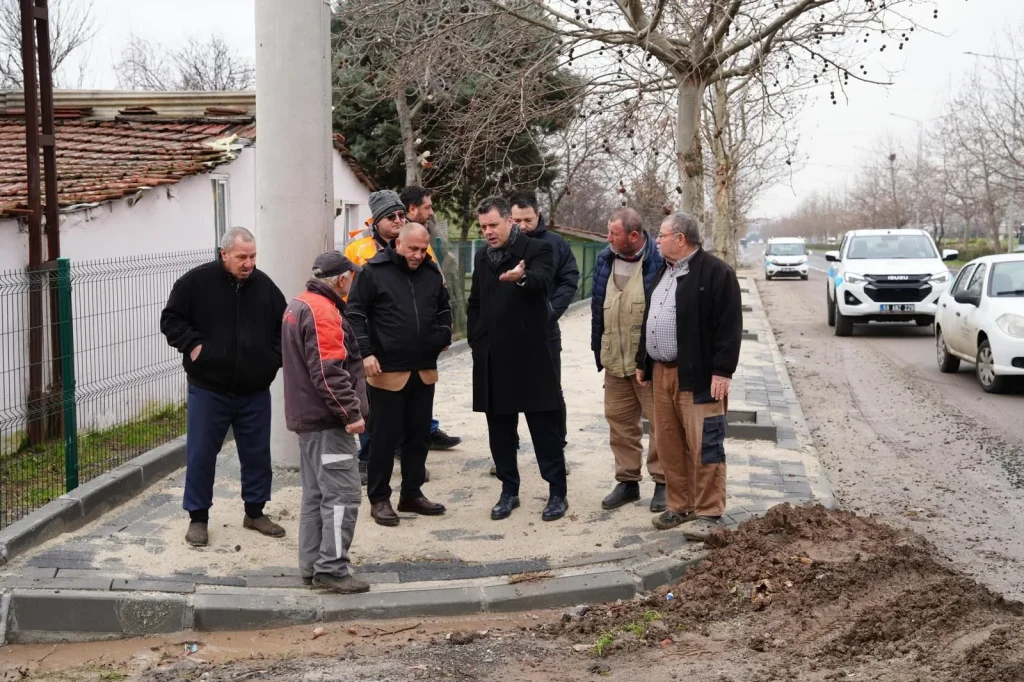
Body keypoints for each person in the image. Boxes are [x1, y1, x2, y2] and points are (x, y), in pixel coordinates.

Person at [160, 227, 287, 547]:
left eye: (253, 256)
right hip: (209, 389)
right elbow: (171, 319)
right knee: (201, 454)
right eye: (242, 257)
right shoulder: (195, 283)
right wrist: (194, 346)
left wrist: (273, 360)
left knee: (257, 454)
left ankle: (255, 512)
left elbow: (283, 328)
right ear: (224, 254)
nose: (249, 263)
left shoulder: (266, 288)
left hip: (254, 391)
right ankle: (198, 518)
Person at [636, 213, 742, 540]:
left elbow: (729, 326)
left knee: (706, 445)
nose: (656, 240)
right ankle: (679, 506)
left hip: (700, 377)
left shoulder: (716, 272)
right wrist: (643, 361)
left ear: (680, 239)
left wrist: (723, 371)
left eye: (662, 235)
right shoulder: (663, 272)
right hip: (662, 373)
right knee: (669, 444)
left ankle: (709, 513)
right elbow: (651, 319)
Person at [468, 196, 567, 522]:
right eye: (483, 226)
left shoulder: (538, 249)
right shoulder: (482, 257)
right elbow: (475, 302)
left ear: (509, 222)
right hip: (493, 358)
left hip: (531, 357)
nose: (488, 232)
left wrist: (521, 278)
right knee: (500, 432)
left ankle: (557, 493)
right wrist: (477, 340)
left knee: (544, 430)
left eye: (493, 225)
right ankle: (509, 490)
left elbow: (542, 278)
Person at [347, 222, 452, 527]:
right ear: (398, 244)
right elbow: (354, 314)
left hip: (424, 369)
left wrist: (443, 334)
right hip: (386, 371)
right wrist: (365, 353)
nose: (418, 255)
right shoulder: (372, 272)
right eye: (412, 249)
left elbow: (444, 308)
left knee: (419, 437)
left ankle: (412, 493)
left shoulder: (431, 273)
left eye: (422, 249)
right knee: (383, 438)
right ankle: (379, 499)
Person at [281, 251, 370, 594]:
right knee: (343, 495)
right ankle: (332, 569)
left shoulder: (299, 304)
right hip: (328, 423)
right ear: (342, 278)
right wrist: (351, 413)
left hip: (310, 420)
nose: (352, 282)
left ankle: (312, 566)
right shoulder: (323, 311)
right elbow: (329, 371)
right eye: (351, 276)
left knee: (316, 494)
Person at [344, 189, 439, 484]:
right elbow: (351, 302)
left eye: (401, 214)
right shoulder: (360, 251)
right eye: (391, 216)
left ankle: (410, 473)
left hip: (414, 357)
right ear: (377, 221)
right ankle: (368, 460)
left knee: (413, 417)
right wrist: (363, 348)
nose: (398, 220)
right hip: (374, 350)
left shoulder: (421, 245)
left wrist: (441, 334)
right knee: (374, 412)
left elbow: (437, 290)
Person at [591, 208, 666, 513]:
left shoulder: (658, 261)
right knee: (620, 424)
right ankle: (627, 482)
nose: (608, 237)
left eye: (614, 233)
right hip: (613, 360)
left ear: (634, 236)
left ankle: (664, 482)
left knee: (661, 425)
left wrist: (651, 360)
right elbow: (598, 309)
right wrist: (598, 350)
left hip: (648, 364)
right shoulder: (604, 260)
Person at [505, 190, 580, 474]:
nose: (523, 226)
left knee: (551, 392)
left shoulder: (555, 243)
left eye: (528, 219)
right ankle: (506, 452)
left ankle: (556, 450)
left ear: (538, 215)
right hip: (508, 333)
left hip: (545, 331)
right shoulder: (502, 244)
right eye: (517, 220)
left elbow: (569, 279)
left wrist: (551, 311)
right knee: (506, 393)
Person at [400, 185, 462, 452]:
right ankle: (407, 439)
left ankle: (427, 429)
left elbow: (437, 285)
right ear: (412, 209)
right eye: (427, 207)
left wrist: (443, 328)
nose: (431, 212)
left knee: (424, 384)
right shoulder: (400, 244)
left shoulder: (425, 239)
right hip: (403, 333)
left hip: (427, 329)